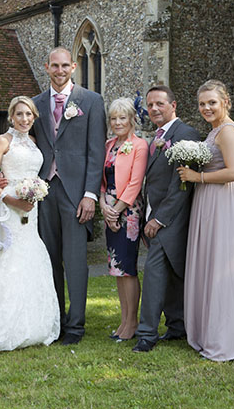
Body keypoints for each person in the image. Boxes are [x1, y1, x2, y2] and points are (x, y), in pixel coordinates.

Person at [30, 47, 106, 345]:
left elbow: (96, 151)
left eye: (65, 66)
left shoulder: (91, 101)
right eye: (54, 66)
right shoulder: (35, 104)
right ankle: (55, 321)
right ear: (46, 67)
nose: (60, 71)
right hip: (44, 190)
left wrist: (90, 194)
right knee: (49, 259)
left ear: (73, 67)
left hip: (76, 193)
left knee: (75, 261)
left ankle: (76, 326)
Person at [177, 79, 234, 361]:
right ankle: (207, 332)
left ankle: (224, 339)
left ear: (226, 102)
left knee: (222, 268)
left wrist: (199, 177)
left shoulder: (229, 132)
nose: (207, 108)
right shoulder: (214, 131)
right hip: (207, 201)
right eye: (202, 103)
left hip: (222, 202)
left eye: (212, 102)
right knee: (208, 264)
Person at [0, 96, 60, 353]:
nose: (24, 119)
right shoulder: (2, 141)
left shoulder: (35, 143)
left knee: (29, 256)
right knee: (7, 256)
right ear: (11, 117)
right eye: (19, 114)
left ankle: (31, 324)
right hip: (10, 209)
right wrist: (11, 198)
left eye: (29, 114)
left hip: (32, 209)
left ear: (34, 117)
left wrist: (34, 193)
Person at [132, 86, 200, 353]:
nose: (154, 109)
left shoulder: (185, 135)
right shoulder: (158, 137)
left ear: (173, 105)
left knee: (154, 275)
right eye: (150, 105)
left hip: (171, 220)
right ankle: (177, 326)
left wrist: (158, 220)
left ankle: (146, 335)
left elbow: (181, 185)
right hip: (156, 215)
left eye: (160, 103)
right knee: (172, 273)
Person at [99, 98, 147, 342]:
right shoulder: (108, 145)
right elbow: (101, 180)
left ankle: (132, 323)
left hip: (128, 212)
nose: (117, 122)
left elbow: (135, 183)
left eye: (122, 118)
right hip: (109, 209)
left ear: (131, 120)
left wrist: (116, 210)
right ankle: (123, 320)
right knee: (116, 268)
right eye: (113, 118)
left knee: (127, 268)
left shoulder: (139, 145)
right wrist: (103, 206)